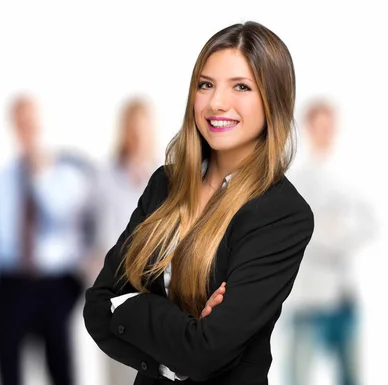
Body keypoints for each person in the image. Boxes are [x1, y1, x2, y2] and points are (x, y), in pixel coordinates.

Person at [83, 21, 314, 385]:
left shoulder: (282, 213)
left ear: (274, 99)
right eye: (206, 85)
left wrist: (130, 306)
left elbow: (207, 353)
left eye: (241, 86)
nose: (216, 102)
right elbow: (97, 307)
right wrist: (182, 344)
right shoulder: (166, 183)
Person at [0, 95, 94, 385]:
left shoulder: (67, 174)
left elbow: (58, 210)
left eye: (31, 121)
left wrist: (40, 173)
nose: (26, 128)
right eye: (20, 122)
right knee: (8, 369)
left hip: (54, 284)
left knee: (60, 368)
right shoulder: (0, 180)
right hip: (11, 283)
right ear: (13, 126)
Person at [284, 99, 375, 385]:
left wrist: (332, 230)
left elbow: (370, 226)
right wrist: (337, 230)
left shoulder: (350, 174)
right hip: (309, 301)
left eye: (329, 125)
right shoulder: (297, 179)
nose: (325, 132)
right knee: (299, 377)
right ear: (309, 128)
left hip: (344, 298)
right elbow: (303, 234)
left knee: (352, 377)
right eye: (319, 125)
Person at [86, 97, 159, 385]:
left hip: (157, 294)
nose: (138, 137)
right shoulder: (103, 179)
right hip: (116, 292)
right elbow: (85, 230)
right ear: (123, 131)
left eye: (143, 130)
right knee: (119, 375)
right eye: (132, 129)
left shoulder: (167, 178)